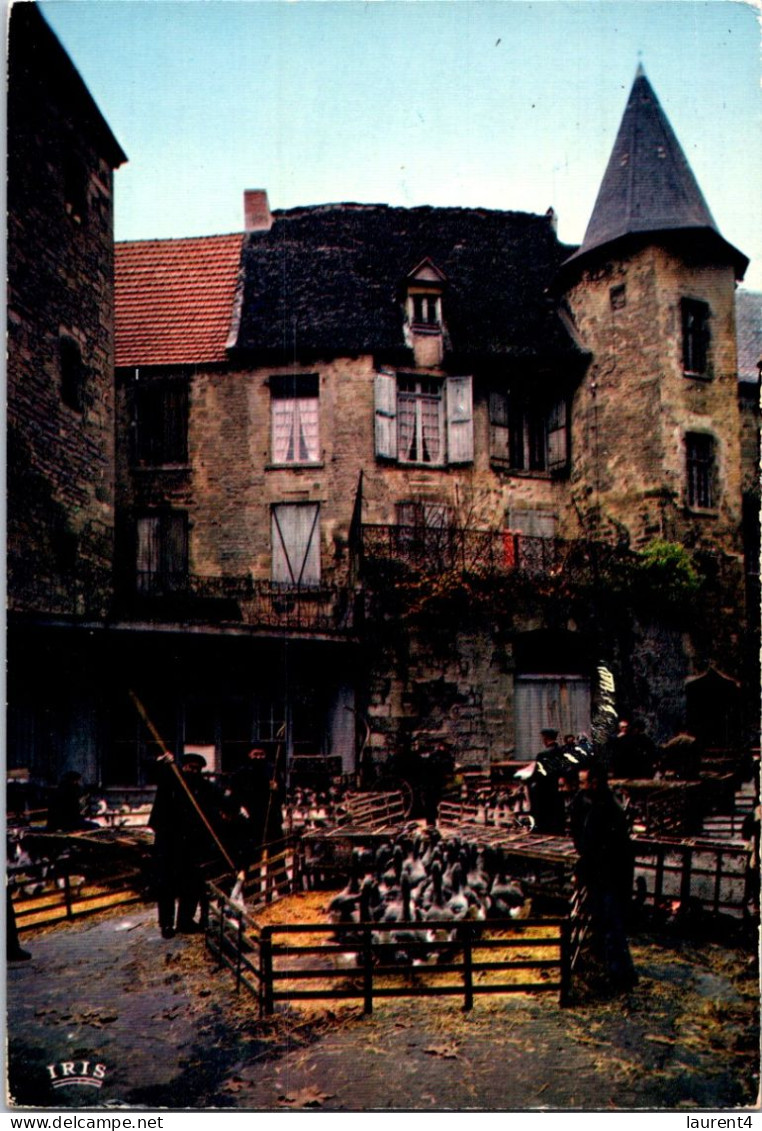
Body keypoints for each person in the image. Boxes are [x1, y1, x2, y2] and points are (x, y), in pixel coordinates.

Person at [570, 762, 637, 993]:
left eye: (583, 782)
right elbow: (580, 836)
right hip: (598, 873)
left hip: (611, 875)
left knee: (612, 925)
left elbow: (607, 849)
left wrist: (585, 868)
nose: (580, 786)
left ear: (595, 782)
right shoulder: (585, 802)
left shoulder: (610, 810)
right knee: (602, 922)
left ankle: (621, 977)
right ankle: (607, 969)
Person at [148, 752, 225, 939]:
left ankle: (185, 921)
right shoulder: (171, 782)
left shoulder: (204, 787)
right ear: (183, 767)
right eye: (190, 767)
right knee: (167, 884)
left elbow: (221, 800)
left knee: (191, 883)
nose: (193, 771)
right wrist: (162, 762)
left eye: (197, 769)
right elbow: (155, 773)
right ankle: (166, 924)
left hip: (193, 843)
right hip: (169, 842)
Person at [232, 748, 284, 860]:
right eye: (256, 754)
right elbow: (236, 794)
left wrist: (277, 788)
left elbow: (283, 795)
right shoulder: (242, 772)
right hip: (252, 818)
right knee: (253, 854)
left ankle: (280, 876)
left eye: (262, 754)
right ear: (249, 754)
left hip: (271, 817)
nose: (259, 757)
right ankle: (253, 876)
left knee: (276, 853)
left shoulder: (272, 770)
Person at [526, 728, 566, 835]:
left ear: (545, 738)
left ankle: (540, 828)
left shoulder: (543, 754)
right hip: (556, 787)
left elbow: (537, 774)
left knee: (542, 810)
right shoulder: (562, 751)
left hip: (544, 788)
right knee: (556, 810)